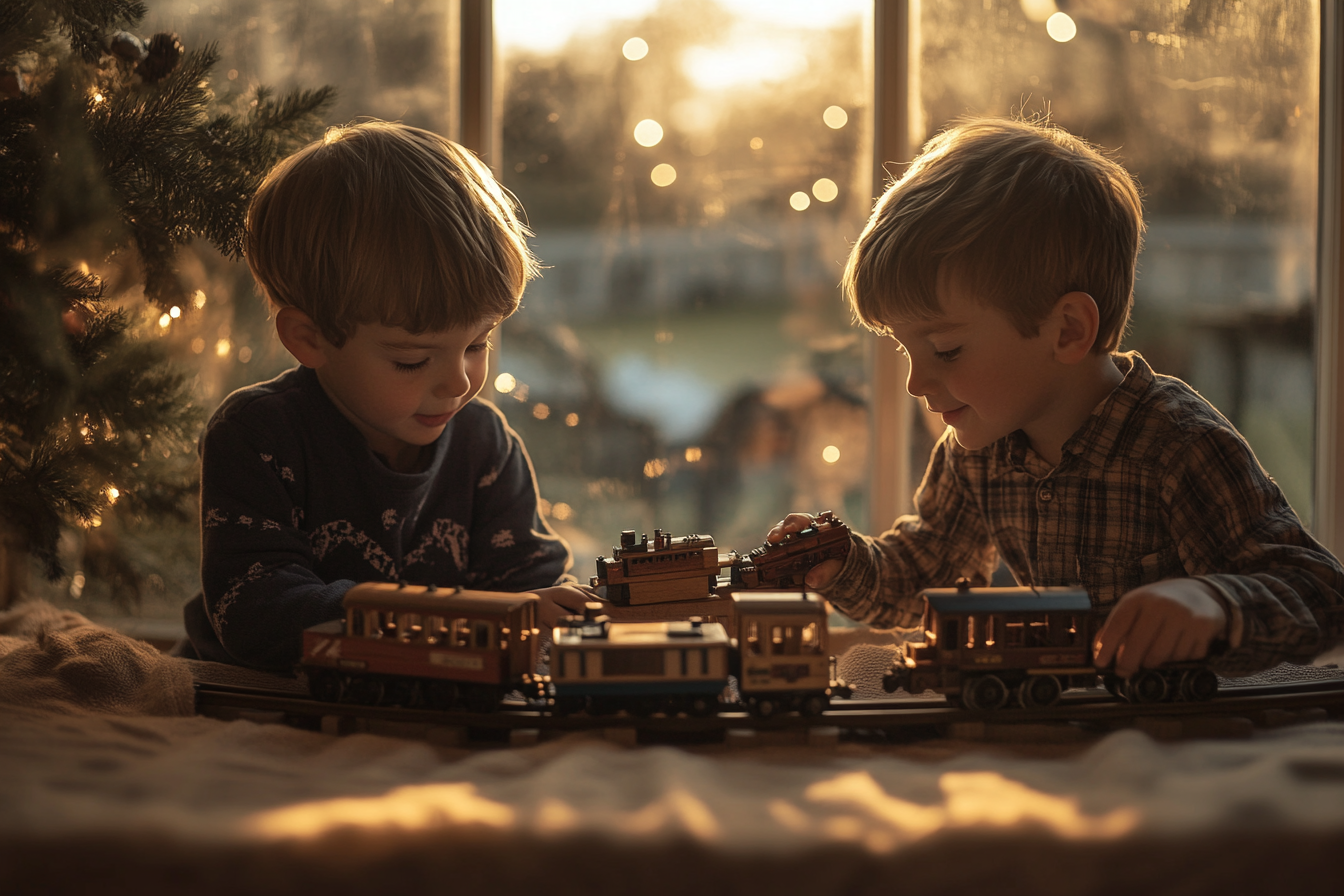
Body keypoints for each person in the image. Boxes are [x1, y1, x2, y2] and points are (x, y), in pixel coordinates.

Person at [769, 117, 1344, 679]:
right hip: (1064, 735)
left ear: (1067, 330)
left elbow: (1320, 594)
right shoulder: (976, 451)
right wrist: (841, 564)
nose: (915, 383)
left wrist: (1215, 604)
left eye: (945, 350)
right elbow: (923, 580)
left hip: (1182, 743)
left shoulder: (1180, 446)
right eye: (904, 349)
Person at [180, 121, 591, 672]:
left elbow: (525, 584)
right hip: (255, 704)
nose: (458, 383)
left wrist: (554, 613)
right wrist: (461, 618)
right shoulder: (257, 436)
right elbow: (257, 615)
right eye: (412, 360)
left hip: (415, 706)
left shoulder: (483, 443)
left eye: (477, 343)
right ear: (310, 338)